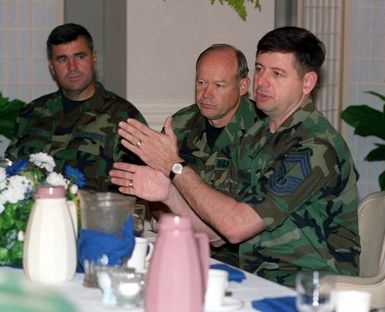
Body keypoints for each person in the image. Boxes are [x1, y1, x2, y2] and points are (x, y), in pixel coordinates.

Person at [109, 27, 360, 287]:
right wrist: (168, 194)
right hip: (256, 279)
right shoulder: (257, 137)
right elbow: (218, 234)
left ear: (307, 83)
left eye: (277, 74)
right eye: (260, 68)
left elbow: (235, 226)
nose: (262, 81)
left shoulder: (315, 148)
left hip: (310, 289)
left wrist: (175, 166)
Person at [152, 43, 264, 266]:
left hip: (245, 259)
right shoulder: (180, 125)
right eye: (201, 82)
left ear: (243, 86)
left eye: (219, 85)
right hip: (184, 245)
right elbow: (155, 192)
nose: (206, 94)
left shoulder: (263, 131)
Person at [6, 23, 146, 191]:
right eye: (62, 59)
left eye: (80, 57)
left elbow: (139, 188)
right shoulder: (32, 113)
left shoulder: (125, 117)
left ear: (93, 58)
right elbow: (9, 173)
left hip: (95, 215)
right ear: (52, 66)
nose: (72, 68)